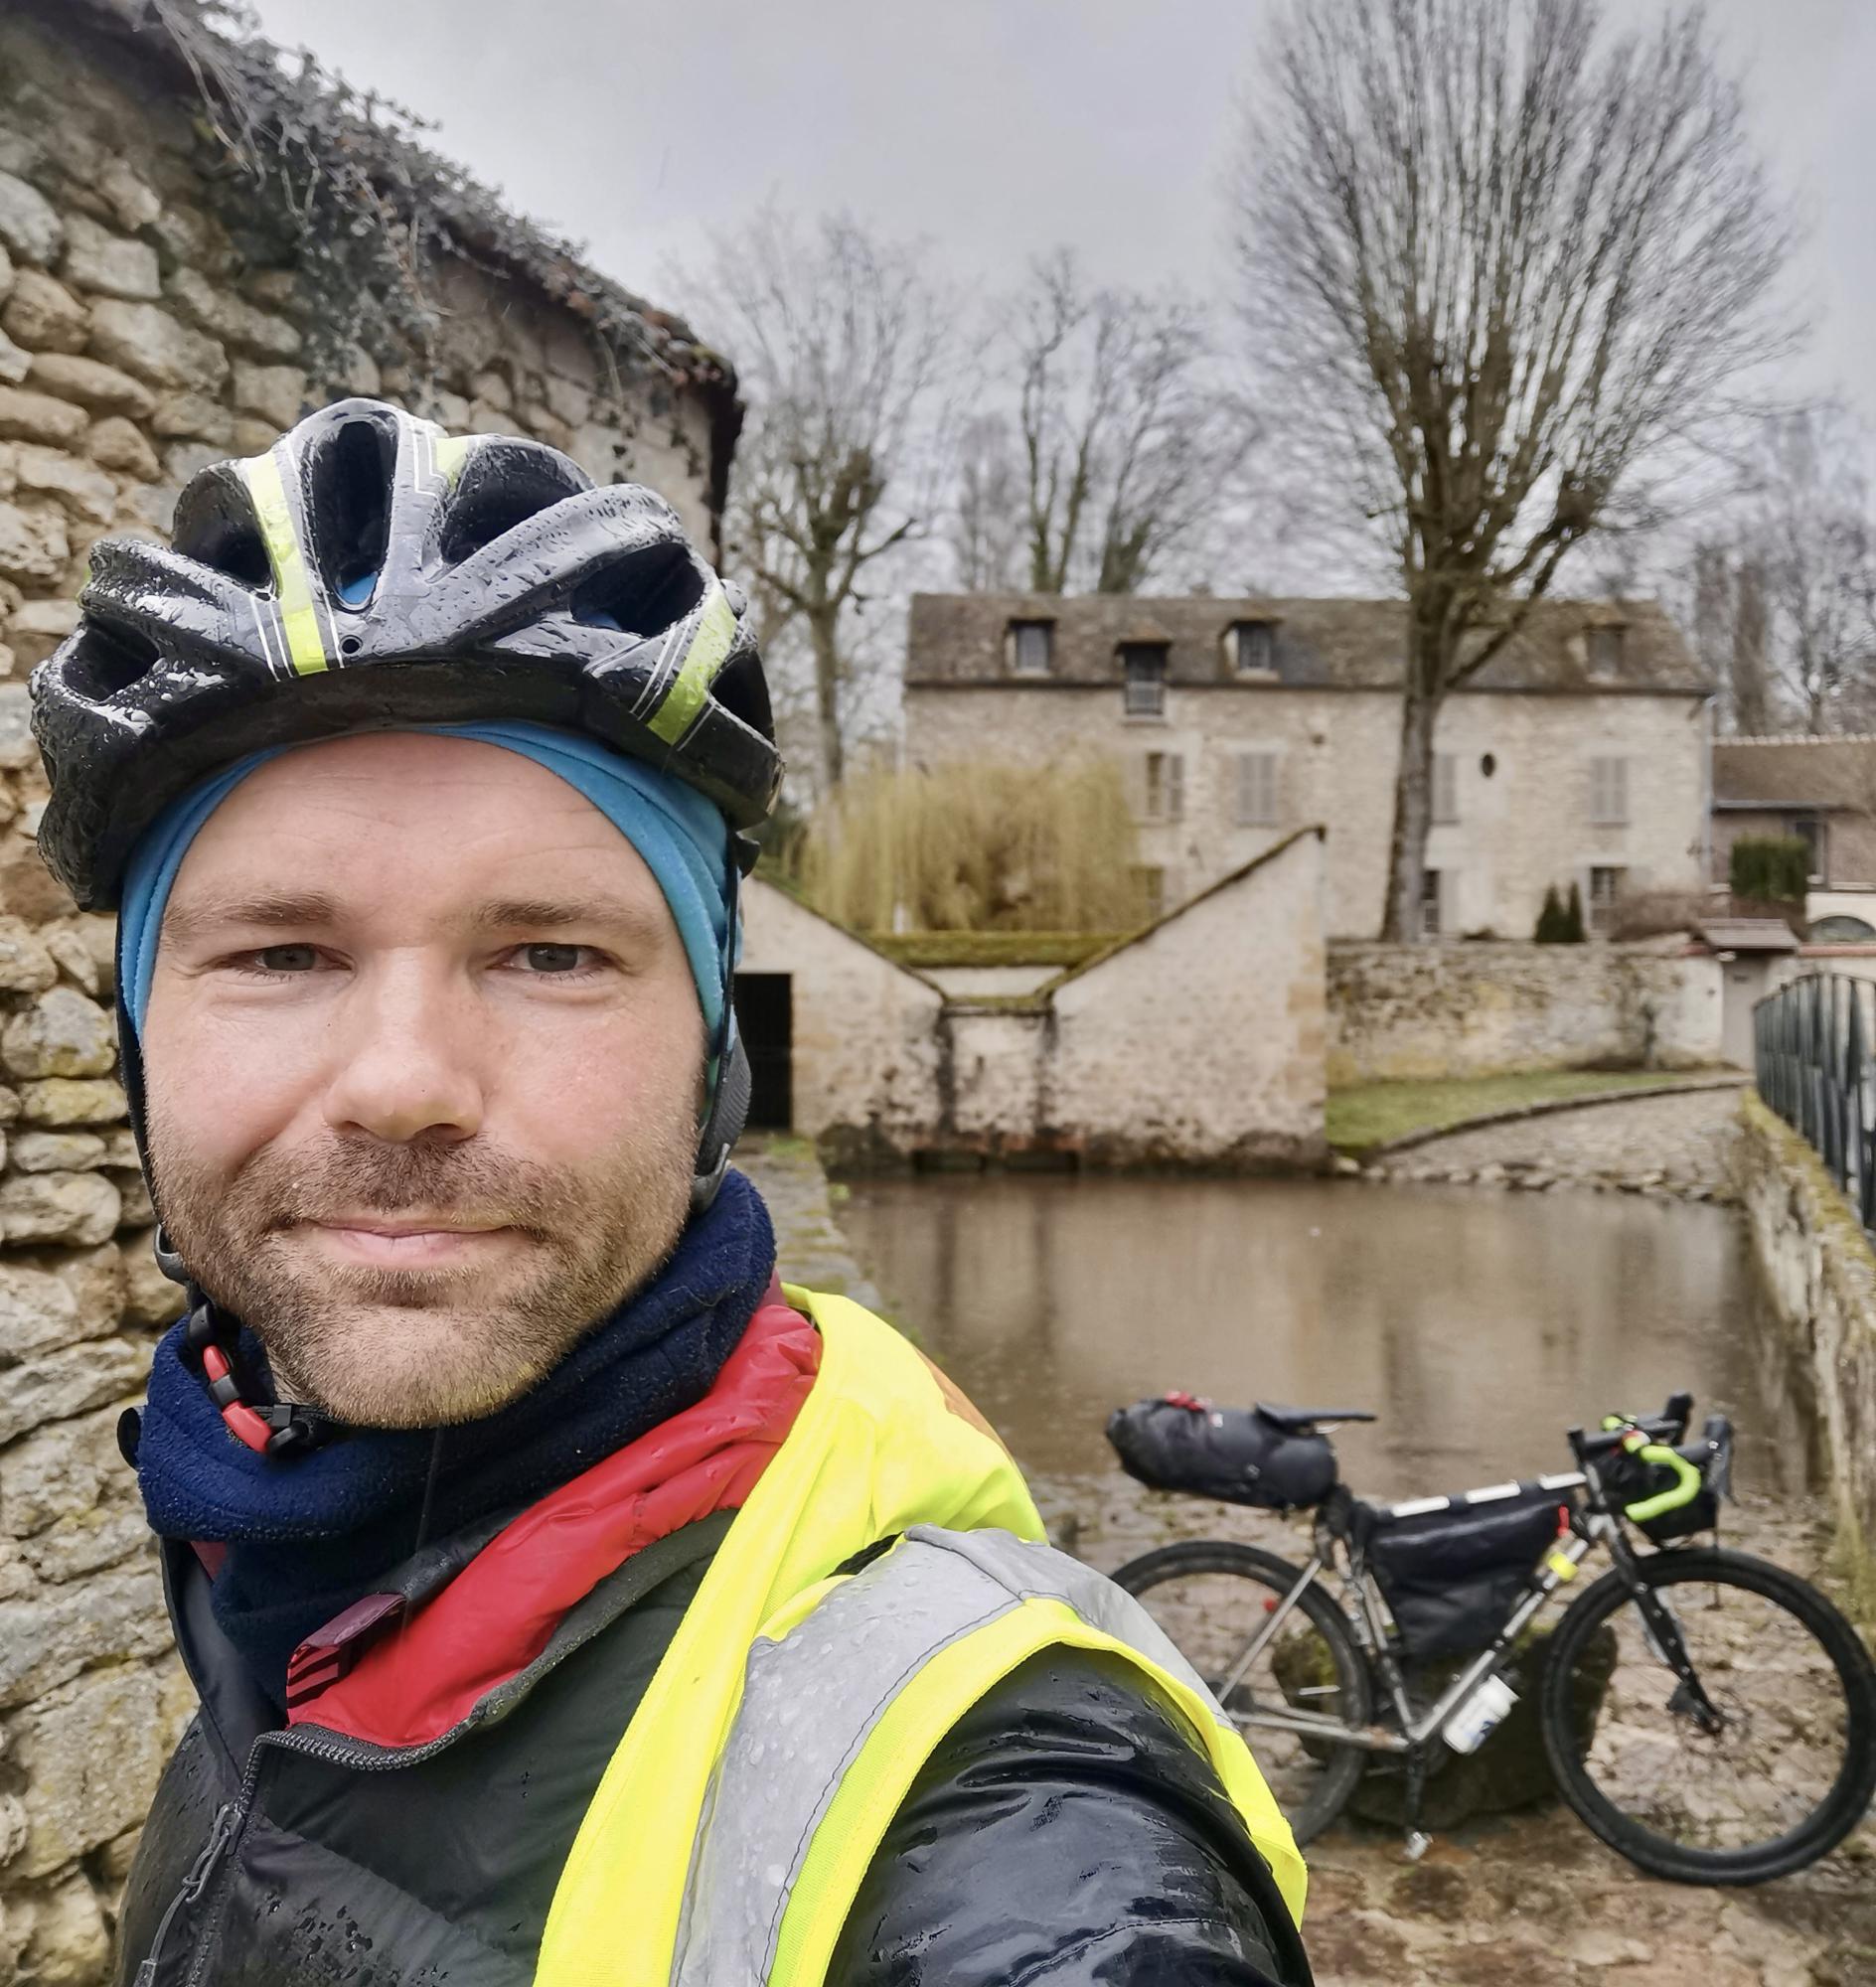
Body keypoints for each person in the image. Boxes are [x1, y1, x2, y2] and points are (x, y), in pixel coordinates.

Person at [30, 398, 1313, 1987]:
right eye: (280, 953)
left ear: (714, 1051)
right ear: (140, 1049)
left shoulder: (1006, 1812)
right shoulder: (253, 1551)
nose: (406, 1081)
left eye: (551, 954)